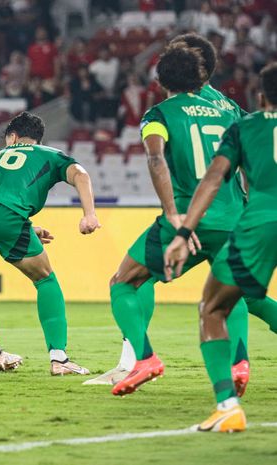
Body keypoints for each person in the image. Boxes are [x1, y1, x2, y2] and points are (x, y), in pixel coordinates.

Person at [88, 33, 277, 388]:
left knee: (125, 281)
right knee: (239, 293)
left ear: (161, 79)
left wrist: (175, 216)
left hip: (189, 217)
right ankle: (239, 364)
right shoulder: (228, 108)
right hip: (235, 217)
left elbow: (155, 157)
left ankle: (142, 358)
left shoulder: (159, 113)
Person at [163, 63, 277, 433]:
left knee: (212, 307)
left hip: (261, 224)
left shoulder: (245, 127)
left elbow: (213, 179)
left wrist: (183, 233)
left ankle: (228, 407)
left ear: (260, 97)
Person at [0, 112, 100, 374]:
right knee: (45, 279)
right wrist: (90, 214)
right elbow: (81, 175)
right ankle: (59, 359)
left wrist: (26, 228)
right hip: (3, 214)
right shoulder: (48, 154)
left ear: (13, 136)